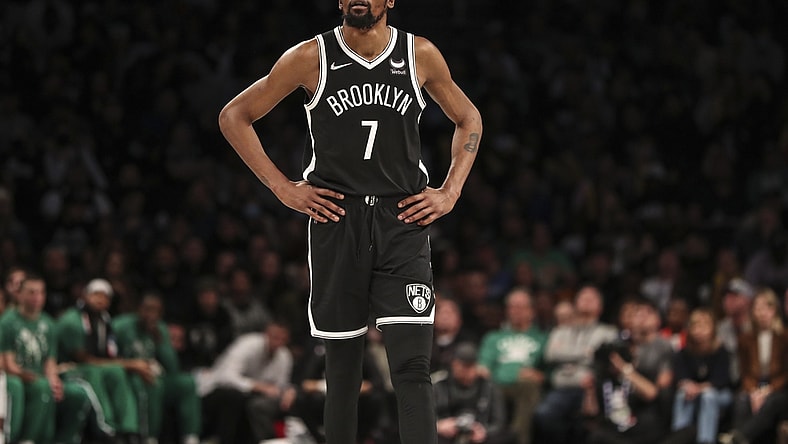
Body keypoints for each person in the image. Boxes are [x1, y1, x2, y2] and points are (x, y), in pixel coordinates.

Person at [218, 0, 482, 442]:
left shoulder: (419, 53)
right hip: (338, 218)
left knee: (412, 367)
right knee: (341, 373)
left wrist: (451, 190)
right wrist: (283, 188)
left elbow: (468, 117)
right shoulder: (310, 56)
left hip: (401, 219)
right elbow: (233, 116)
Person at [1, 275, 91, 444]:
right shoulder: (8, 321)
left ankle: (65, 440)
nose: (37, 297)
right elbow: (8, 364)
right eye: (32, 292)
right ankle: (26, 439)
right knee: (40, 386)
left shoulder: (49, 323)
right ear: (20, 294)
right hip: (18, 377)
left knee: (76, 394)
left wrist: (54, 380)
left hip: (40, 378)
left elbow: (50, 361)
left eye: (41, 292)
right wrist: (31, 377)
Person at [55, 278, 148, 442]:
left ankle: (129, 429)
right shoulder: (72, 320)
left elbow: (109, 355)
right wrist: (129, 364)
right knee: (95, 372)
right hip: (68, 369)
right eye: (96, 294)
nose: (100, 299)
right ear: (84, 296)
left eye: (105, 296)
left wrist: (127, 365)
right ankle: (107, 427)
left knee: (117, 372)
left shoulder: (105, 320)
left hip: (96, 366)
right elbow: (84, 359)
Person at [111, 292, 201, 444]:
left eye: (156, 311)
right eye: (147, 309)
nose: (151, 315)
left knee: (187, 383)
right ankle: (150, 438)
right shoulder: (120, 325)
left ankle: (191, 437)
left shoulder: (161, 329)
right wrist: (133, 366)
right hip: (129, 375)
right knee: (153, 383)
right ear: (139, 309)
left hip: (154, 375)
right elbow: (109, 356)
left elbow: (173, 367)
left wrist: (161, 342)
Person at [534, 286, 618, 444]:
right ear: (575, 304)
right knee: (543, 415)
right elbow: (551, 354)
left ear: (600, 307)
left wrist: (566, 354)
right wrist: (587, 353)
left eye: (591, 299)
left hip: (590, 388)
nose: (586, 301)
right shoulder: (560, 331)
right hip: (562, 387)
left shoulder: (608, 332)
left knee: (585, 426)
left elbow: (603, 358)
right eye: (583, 298)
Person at [587, 298, 674, 444]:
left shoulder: (664, 347)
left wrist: (624, 370)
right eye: (637, 313)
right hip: (618, 407)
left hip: (648, 412)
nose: (642, 316)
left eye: (648, 312)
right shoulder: (619, 344)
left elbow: (656, 391)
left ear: (658, 319)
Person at [195, 320, 296, 444]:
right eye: (275, 337)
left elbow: (280, 386)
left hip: (252, 397)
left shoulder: (284, 356)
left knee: (262, 406)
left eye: (282, 339)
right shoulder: (247, 344)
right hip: (216, 389)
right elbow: (226, 376)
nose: (278, 342)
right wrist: (257, 386)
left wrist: (288, 391)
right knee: (234, 397)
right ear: (266, 334)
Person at [477, 287, 546, 444]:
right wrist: (485, 370)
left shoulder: (542, 338)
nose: (516, 311)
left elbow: (548, 371)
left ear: (531, 311)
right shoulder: (493, 337)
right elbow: (483, 366)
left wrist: (542, 375)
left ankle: (517, 438)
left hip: (525, 387)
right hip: (497, 385)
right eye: (512, 307)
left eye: (521, 307)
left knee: (528, 385)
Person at [720, 288, 788, 444]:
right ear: (752, 312)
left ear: (775, 310)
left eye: (767, 307)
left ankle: (738, 438)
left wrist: (768, 390)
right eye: (758, 308)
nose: (762, 313)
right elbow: (744, 372)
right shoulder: (745, 339)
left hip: (778, 387)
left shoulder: (784, 337)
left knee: (772, 402)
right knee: (742, 401)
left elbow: (786, 373)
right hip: (753, 385)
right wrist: (754, 391)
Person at [670, 308, 733, 444]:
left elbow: (722, 380)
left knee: (708, 396)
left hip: (720, 394)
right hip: (692, 393)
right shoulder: (683, 353)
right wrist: (688, 386)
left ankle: (705, 440)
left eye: (704, 326)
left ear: (713, 329)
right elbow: (680, 377)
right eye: (696, 326)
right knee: (682, 394)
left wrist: (699, 388)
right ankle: (679, 439)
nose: (700, 331)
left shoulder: (721, 351)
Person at [434, 342, 514, 444]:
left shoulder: (488, 387)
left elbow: (499, 422)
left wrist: (484, 430)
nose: (467, 371)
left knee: (509, 436)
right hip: (448, 433)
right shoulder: (440, 385)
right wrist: (439, 425)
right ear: (454, 364)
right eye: (464, 366)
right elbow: (425, 417)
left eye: (471, 366)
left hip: (480, 433)